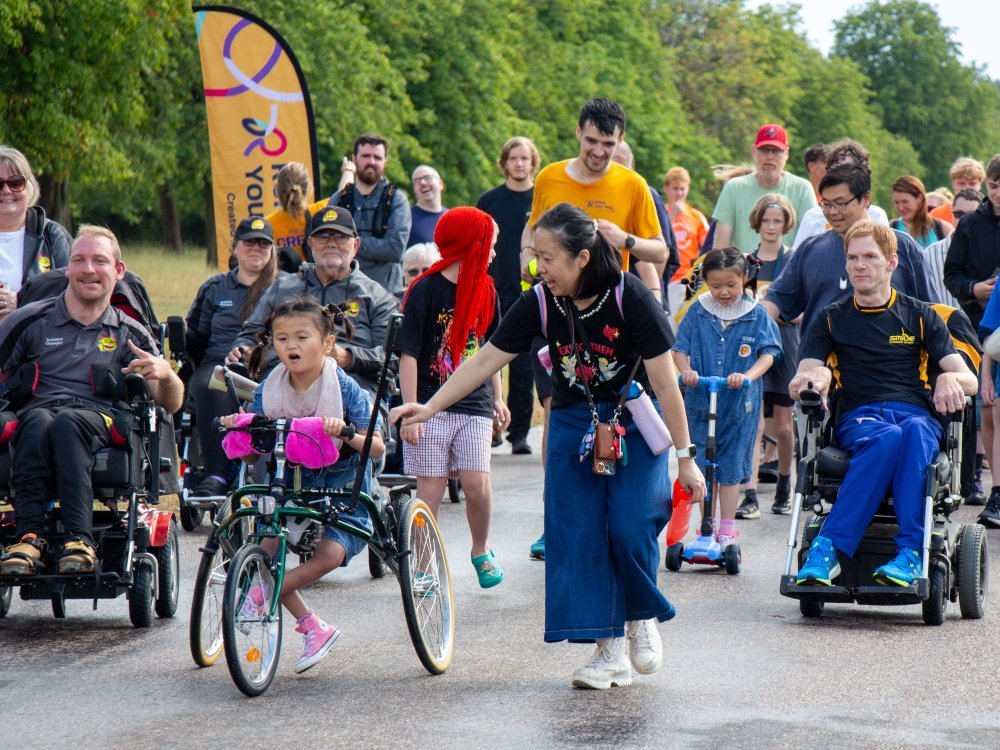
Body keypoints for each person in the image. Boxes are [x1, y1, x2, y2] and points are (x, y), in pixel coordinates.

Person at [391, 202, 706, 690]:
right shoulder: (540, 300)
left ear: (582, 257)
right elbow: (486, 361)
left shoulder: (630, 296)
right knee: (576, 532)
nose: (539, 268)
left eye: (549, 257)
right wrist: (429, 408)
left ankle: (640, 615)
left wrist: (686, 461)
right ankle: (608, 651)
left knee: (629, 524)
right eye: (535, 256)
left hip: (631, 420)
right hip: (572, 421)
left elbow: (667, 385)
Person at [790, 220, 976, 587]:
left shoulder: (921, 316)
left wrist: (950, 377)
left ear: (891, 263)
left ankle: (909, 554)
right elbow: (806, 374)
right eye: (853, 258)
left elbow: (967, 376)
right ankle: (827, 550)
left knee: (916, 431)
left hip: (914, 414)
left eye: (870, 257)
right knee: (887, 437)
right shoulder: (830, 319)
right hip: (861, 417)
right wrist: (815, 379)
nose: (860, 265)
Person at [0, 225, 183, 575]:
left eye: (99, 261)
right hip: (37, 414)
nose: (88, 269)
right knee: (36, 421)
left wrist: (166, 374)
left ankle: (79, 539)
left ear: (118, 271)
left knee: (68, 422)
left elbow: (171, 403)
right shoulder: (30, 320)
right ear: (67, 269)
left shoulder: (130, 333)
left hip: (100, 418)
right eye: (79, 260)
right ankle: (28, 537)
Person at [221, 296, 385, 673]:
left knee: (329, 555)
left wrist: (345, 432)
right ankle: (313, 625)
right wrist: (241, 430)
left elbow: (376, 446)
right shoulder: (270, 387)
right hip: (291, 481)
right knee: (266, 547)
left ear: (327, 344)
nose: (290, 346)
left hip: (344, 483)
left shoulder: (344, 388)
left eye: (301, 337)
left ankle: (263, 595)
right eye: (281, 338)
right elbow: (251, 454)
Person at [398, 207, 509, 588]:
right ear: (470, 246)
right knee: (430, 488)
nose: (494, 254)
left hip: (474, 404)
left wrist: (498, 397)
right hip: (430, 404)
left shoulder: (487, 290)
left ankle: (481, 549)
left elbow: (492, 352)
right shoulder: (424, 291)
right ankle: (425, 565)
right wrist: (413, 413)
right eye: (490, 246)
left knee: (477, 483)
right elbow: (409, 354)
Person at [762, 165, 938, 359]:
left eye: (841, 203)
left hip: (892, 374)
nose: (832, 212)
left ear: (866, 199)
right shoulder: (810, 250)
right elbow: (776, 300)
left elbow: (932, 310)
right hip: (822, 375)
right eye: (826, 204)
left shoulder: (902, 247)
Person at [228, 206, 399, 397]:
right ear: (311, 243)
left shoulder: (377, 296)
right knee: (245, 417)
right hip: (282, 383)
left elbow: (393, 357)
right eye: (323, 237)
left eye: (341, 237)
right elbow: (251, 334)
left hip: (351, 387)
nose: (331, 243)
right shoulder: (282, 287)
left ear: (356, 245)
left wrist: (348, 357)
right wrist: (243, 349)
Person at [672, 248, 780, 545]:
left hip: (738, 406)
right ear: (705, 281)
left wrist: (747, 376)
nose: (723, 292)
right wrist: (687, 371)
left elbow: (769, 353)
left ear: (745, 278)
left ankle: (727, 528)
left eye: (731, 285)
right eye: (716, 285)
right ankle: (704, 528)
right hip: (699, 402)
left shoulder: (755, 314)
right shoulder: (698, 310)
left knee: (730, 467)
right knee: (703, 464)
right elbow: (679, 348)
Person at [522, 98, 667, 286]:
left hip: (607, 299)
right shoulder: (548, 177)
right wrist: (525, 255)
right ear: (578, 131)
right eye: (591, 141)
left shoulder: (634, 184)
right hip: (552, 295)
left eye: (608, 144)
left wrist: (625, 239)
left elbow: (660, 251)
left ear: (621, 139)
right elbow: (533, 226)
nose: (599, 152)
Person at [184, 216, 281, 497]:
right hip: (219, 362)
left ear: (272, 250)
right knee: (209, 383)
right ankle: (217, 472)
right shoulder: (215, 288)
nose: (256, 249)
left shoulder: (285, 287)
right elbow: (197, 338)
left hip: (272, 364)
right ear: (235, 247)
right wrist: (178, 332)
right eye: (250, 242)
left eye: (264, 244)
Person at [477, 136, 541, 457]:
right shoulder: (489, 200)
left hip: (528, 293)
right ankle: (490, 428)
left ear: (533, 163)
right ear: (504, 162)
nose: (519, 164)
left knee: (524, 365)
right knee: (488, 361)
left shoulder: (541, 199)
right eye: (513, 158)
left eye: (524, 158)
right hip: (492, 290)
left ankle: (520, 433)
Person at [746, 194, 799, 516]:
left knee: (782, 425)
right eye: (766, 220)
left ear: (785, 224)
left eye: (777, 221)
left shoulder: (792, 259)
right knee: (751, 422)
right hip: (751, 346)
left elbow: (799, 311)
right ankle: (749, 491)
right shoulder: (746, 261)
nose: (770, 227)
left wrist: (775, 312)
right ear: (757, 222)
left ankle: (784, 482)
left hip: (785, 345)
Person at [955, 155, 1000, 524]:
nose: (998, 193)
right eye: (995, 185)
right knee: (982, 406)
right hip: (976, 324)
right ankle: (973, 478)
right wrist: (974, 288)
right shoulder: (970, 225)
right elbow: (951, 274)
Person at [711, 124, 815, 252]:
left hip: (789, 269)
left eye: (776, 151)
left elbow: (811, 241)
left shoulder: (802, 189)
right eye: (764, 150)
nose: (770, 156)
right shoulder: (733, 188)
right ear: (754, 152)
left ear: (786, 154)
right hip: (743, 269)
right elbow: (720, 246)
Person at [329, 134, 411, 294]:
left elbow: (395, 249)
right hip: (342, 292)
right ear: (354, 159)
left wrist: (347, 242)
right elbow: (327, 246)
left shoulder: (396, 200)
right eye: (366, 156)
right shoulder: (339, 199)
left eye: (377, 157)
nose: (371, 162)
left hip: (386, 295)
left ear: (385, 162)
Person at [0, 145, 71, 317]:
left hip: (39, 340)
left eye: (16, 182)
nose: (6, 190)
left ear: (29, 187)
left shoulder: (52, 236)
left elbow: (76, 294)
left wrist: (22, 303)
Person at [610, 140, 680, 304]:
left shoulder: (645, 193)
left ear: (621, 161)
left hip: (641, 296)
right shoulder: (611, 193)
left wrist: (650, 298)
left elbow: (663, 254)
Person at [790, 139, 891, 251]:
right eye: (836, 170)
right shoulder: (812, 217)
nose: (842, 176)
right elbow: (797, 259)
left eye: (849, 170)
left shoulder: (876, 215)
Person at [923, 188, 981, 309]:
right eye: (958, 214)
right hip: (943, 325)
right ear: (952, 214)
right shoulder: (930, 253)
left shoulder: (991, 250)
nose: (963, 219)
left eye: (970, 215)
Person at [663, 166, 710, 317]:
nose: (679, 193)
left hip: (691, 279)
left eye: (683, 189)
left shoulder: (696, 216)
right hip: (667, 278)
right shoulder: (660, 212)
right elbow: (655, 240)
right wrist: (672, 216)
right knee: (669, 328)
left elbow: (708, 247)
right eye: (675, 188)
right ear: (666, 188)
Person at [265, 161, 324, 272]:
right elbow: (343, 193)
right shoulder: (322, 211)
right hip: (318, 284)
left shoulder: (267, 224)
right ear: (309, 188)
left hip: (281, 286)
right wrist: (348, 170)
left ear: (276, 190)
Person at [890, 175, 952, 249]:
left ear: (920, 198)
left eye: (905, 202)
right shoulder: (890, 229)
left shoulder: (943, 229)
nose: (900, 208)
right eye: (896, 203)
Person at [931, 157, 986, 226]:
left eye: (972, 184)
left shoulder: (992, 213)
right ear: (953, 184)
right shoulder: (937, 215)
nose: (967, 188)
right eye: (961, 183)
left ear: (980, 184)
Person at [408, 165, 447, 247]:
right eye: (417, 181)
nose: (422, 183)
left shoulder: (453, 217)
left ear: (441, 184)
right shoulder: (406, 219)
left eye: (427, 178)